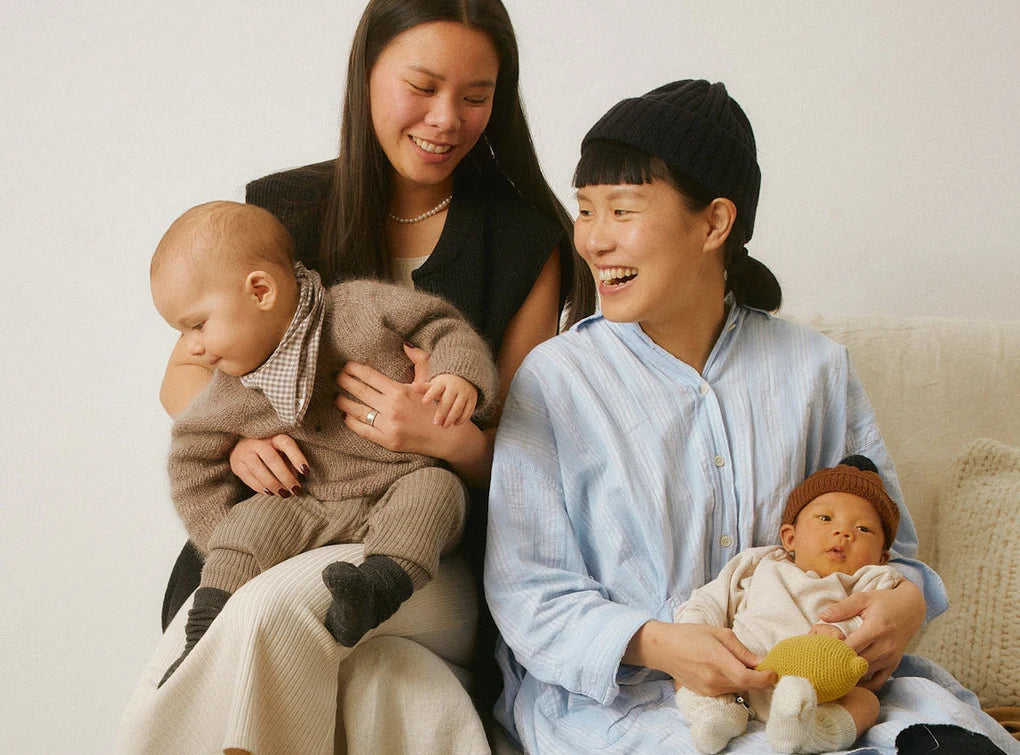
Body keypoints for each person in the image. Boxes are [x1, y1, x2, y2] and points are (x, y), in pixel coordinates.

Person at [484, 79, 1018, 753]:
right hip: (633, 698)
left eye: (621, 211)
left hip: (824, 686)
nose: (593, 240)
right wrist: (661, 643)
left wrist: (906, 601)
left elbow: (889, 546)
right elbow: (528, 590)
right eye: (586, 210)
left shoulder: (815, 369)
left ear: (714, 223)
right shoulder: (557, 380)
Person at [116, 1, 594, 752]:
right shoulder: (283, 210)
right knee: (349, 663)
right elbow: (185, 375)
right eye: (423, 87)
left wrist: (444, 438)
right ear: (366, 73)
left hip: (428, 548)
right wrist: (241, 443)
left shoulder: (526, 241)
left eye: (476, 97)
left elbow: (530, 459)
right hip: (291, 517)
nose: (447, 120)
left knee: (270, 612)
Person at [150, 200, 499, 685]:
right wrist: (223, 531)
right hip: (308, 500)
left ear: (260, 291)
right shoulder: (234, 387)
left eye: (197, 325)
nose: (192, 347)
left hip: (401, 480)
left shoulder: (358, 309)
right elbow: (191, 462)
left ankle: (376, 588)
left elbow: (441, 327)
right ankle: (204, 633)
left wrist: (457, 375)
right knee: (246, 527)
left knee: (435, 495)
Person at [673, 455, 903, 753]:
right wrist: (695, 630)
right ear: (790, 537)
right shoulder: (758, 563)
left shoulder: (873, 580)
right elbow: (710, 599)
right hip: (740, 675)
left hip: (822, 692)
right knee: (685, 674)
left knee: (867, 703)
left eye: (863, 529)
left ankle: (815, 731)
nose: (843, 532)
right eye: (825, 519)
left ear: (882, 557)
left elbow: (879, 623)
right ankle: (717, 714)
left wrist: (845, 631)